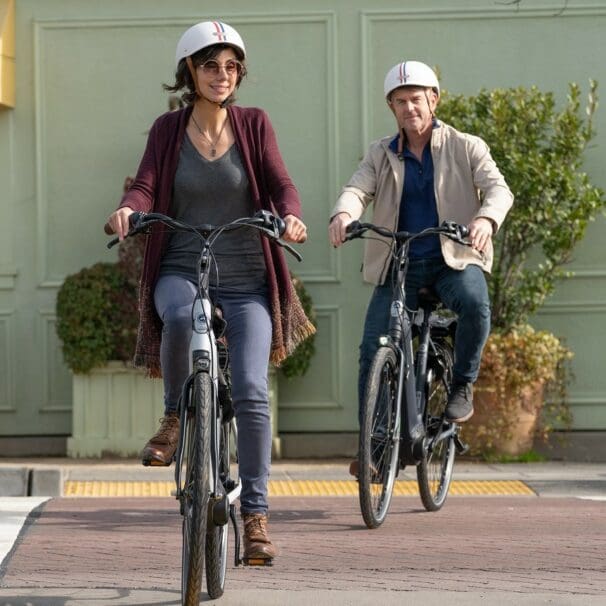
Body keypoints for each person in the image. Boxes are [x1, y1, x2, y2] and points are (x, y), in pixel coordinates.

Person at [106, 20, 314, 563]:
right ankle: (175, 417)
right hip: (181, 265)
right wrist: (130, 208)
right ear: (189, 73)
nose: (221, 75)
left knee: (250, 387)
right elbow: (147, 182)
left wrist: (290, 216)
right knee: (182, 317)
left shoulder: (255, 124)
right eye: (209, 65)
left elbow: (280, 184)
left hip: (248, 277)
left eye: (230, 66)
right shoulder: (167, 129)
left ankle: (256, 517)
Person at [328, 61, 513, 476]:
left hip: (453, 259)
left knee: (474, 304)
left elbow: (498, 188)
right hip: (401, 264)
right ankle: (376, 447)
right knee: (373, 348)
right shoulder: (381, 153)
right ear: (391, 107)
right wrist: (343, 214)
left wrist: (485, 219)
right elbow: (357, 189)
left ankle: (462, 383)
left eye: (417, 99)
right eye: (400, 101)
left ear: (434, 99)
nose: (409, 107)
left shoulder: (467, 146)